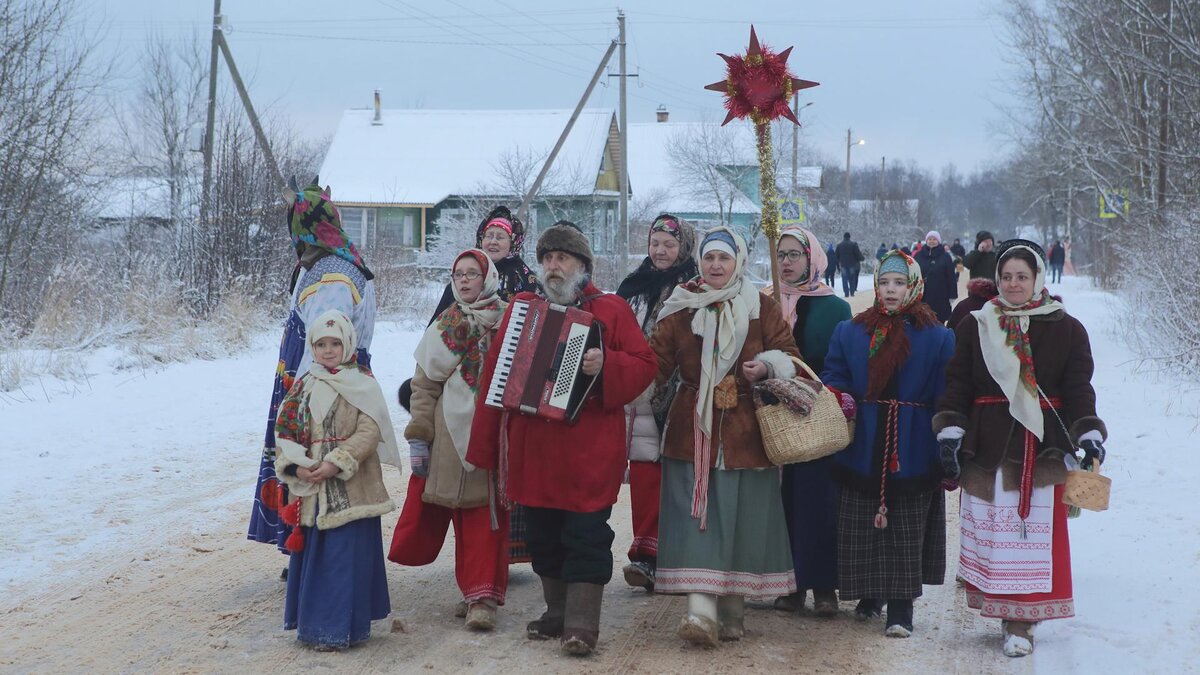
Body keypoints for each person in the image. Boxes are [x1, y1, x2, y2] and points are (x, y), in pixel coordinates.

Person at [467, 222, 657, 656]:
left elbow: (645, 363)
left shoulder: (610, 310)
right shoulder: (521, 309)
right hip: (534, 451)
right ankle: (557, 611)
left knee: (586, 535)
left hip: (589, 452)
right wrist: (485, 446)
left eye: (563, 258)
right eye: (548, 258)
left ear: (582, 266)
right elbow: (495, 380)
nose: (554, 266)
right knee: (542, 536)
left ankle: (582, 624)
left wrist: (604, 364)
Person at [934, 240, 1107, 658]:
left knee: (1033, 534)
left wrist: (1087, 432)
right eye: (1007, 276)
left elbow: (1078, 387)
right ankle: (1003, 610)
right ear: (997, 279)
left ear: (1037, 279)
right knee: (998, 533)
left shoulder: (1066, 327)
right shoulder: (976, 324)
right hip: (989, 442)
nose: (1014, 284)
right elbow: (957, 383)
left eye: (1022, 277)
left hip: (1043, 446)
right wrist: (951, 428)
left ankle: (1022, 622)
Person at [650, 227, 801, 648]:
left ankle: (733, 609)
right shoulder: (680, 306)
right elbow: (655, 361)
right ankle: (700, 612)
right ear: (700, 261)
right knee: (696, 517)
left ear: (738, 261)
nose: (716, 266)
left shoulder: (762, 307)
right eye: (710, 258)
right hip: (690, 430)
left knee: (742, 518)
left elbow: (791, 356)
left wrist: (767, 366)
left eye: (724, 258)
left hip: (746, 433)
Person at [398, 205, 541, 570]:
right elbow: (429, 367)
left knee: (490, 503)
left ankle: (490, 580)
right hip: (452, 417)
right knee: (460, 501)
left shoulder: (520, 293)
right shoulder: (452, 314)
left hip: (495, 417)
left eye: (501, 236)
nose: (464, 281)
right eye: (458, 274)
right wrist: (420, 428)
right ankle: (476, 576)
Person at [822, 250, 953, 639]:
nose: (891, 290)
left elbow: (946, 392)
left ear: (914, 286)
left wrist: (946, 437)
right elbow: (835, 372)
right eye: (884, 282)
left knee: (905, 526)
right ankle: (870, 593)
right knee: (863, 519)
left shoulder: (938, 336)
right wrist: (841, 396)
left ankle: (901, 607)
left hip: (912, 442)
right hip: (864, 437)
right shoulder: (852, 331)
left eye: (898, 283)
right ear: (875, 285)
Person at [250, 181, 378, 568]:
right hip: (321, 380)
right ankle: (308, 549)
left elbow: (326, 341)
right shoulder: (334, 264)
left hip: (322, 386)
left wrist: (305, 397)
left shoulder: (332, 276)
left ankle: (315, 555)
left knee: (316, 460)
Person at [388, 249, 510, 631]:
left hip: (495, 431)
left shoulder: (511, 318)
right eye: (458, 274)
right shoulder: (446, 323)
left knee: (485, 513)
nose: (464, 280)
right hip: (449, 435)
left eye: (472, 273)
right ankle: (471, 590)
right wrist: (419, 437)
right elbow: (423, 387)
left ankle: (483, 597)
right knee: (460, 509)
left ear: (487, 277)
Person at [272, 309, 400, 651]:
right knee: (318, 559)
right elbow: (284, 431)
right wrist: (295, 466)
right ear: (312, 348)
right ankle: (314, 626)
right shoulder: (302, 386)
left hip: (351, 488)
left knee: (345, 559)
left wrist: (337, 461)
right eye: (321, 344)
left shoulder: (362, 383)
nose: (328, 350)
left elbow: (369, 431)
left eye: (335, 343)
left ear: (348, 345)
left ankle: (343, 628)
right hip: (312, 485)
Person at [762, 226, 852, 618]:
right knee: (777, 501)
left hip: (814, 411)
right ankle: (788, 584)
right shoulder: (764, 300)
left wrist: (815, 391)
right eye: (781, 254)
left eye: (794, 254)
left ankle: (823, 586)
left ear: (812, 257)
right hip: (769, 411)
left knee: (816, 499)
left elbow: (842, 360)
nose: (786, 262)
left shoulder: (834, 308)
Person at [613, 213, 699, 593]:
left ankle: (684, 558)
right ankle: (646, 556)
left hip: (681, 395)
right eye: (655, 243)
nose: (661, 251)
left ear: (684, 247)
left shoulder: (696, 288)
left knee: (681, 477)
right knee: (646, 473)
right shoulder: (633, 285)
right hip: (639, 394)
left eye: (669, 244)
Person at [913, 230, 958, 324]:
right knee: (921, 321)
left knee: (938, 321)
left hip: (940, 295)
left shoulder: (945, 256)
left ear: (938, 241)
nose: (932, 241)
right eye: (929, 239)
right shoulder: (918, 255)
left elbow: (951, 276)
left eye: (934, 239)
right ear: (926, 240)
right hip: (922, 295)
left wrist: (952, 294)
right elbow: (913, 274)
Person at [836, 232, 866, 297]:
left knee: (844, 279)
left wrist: (838, 264)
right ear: (849, 237)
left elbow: (836, 256)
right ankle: (852, 292)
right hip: (852, 264)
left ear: (844, 237)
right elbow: (857, 254)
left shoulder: (839, 245)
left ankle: (846, 293)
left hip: (843, 264)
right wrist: (862, 258)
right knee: (852, 278)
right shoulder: (853, 244)